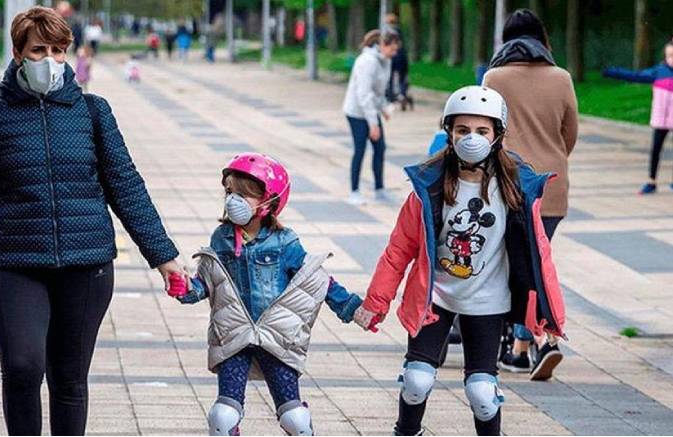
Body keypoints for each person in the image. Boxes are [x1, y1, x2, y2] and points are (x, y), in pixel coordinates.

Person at [0, 7, 183, 435]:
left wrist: (164, 257)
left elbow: (126, 186)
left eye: (58, 51)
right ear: (17, 53)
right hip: (15, 265)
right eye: (38, 50)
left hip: (87, 268)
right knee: (23, 367)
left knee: (68, 379)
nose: (49, 60)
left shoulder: (93, 112)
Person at [353, 86, 567, 436]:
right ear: (448, 134)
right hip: (435, 298)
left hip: (489, 302)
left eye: (482, 131)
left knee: (482, 393)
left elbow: (541, 256)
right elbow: (398, 250)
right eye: (462, 130)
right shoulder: (430, 187)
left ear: (497, 135)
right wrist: (376, 302)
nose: (472, 139)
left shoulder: (516, 188)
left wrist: (549, 313)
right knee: (416, 380)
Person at [168, 153, 363, 436]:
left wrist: (353, 309)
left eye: (243, 195)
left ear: (268, 202)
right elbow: (206, 282)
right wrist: (184, 288)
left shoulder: (285, 242)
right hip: (234, 336)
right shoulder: (221, 238)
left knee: (294, 418)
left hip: (276, 337)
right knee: (222, 415)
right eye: (229, 192)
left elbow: (317, 280)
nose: (232, 200)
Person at [482, 8, 577, 379]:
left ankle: (529, 344)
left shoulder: (494, 77)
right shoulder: (562, 78)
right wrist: (550, 159)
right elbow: (570, 134)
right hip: (553, 186)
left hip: (507, 184)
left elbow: (483, 128)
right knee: (537, 261)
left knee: (515, 266)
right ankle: (527, 344)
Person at [603, 41, 673, 194]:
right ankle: (651, 181)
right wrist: (613, 72)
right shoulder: (659, 71)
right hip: (661, 119)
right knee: (656, 149)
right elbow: (635, 76)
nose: (671, 59)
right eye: (669, 56)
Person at [342, 29, 401, 205]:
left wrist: (384, 108)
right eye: (392, 49)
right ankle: (354, 192)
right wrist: (373, 124)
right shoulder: (366, 62)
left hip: (371, 111)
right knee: (360, 149)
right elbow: (364, 95)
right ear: (383, 45)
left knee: (380, 148)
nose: (394, 53)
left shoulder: (386, 61)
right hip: (356, 111)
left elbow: (378, 92)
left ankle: (379, 189)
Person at [384, 14, 413, 111]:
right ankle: (402, 94)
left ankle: (391, 97)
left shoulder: (388, 33)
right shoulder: (399, 31)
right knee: (402, 77)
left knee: (390, 77)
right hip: (402, 57)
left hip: (392, 57)